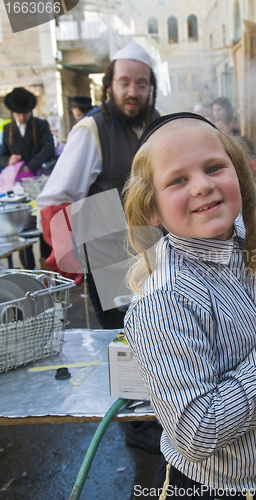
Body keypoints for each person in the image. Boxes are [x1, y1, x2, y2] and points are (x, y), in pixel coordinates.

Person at [123, 113, 256, 499]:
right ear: (152, 208)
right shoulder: (165, 301)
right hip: (213, 486)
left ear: (240, 177)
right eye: (177, 180)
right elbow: (196, 433)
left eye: (214, 167)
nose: (202, 186)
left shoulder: (253, 241)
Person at [36, 40, 162, 454]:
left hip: (155, 246)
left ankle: (166, 410)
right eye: (124, 82)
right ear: (109, 85)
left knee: (162, 333)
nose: (132, 91)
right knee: (127, 340)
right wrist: (65, 259)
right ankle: (137, 424)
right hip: (108, 244)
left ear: (150, 88)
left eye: (140, 84)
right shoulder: (91, 128)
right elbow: (56, 197)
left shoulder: (157, 122)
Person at [0, 87, 55, 269]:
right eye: (19, 113)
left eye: (25, 113)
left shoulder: (41, 125)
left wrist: (29, 166)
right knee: (24, 225)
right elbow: (2, 155)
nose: (22, 117)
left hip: (40, 183)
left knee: (42, 222)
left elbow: (48, 149)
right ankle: (28, 268)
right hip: (19, 188)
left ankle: (45, 265)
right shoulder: (8, 128)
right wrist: (10, 160)